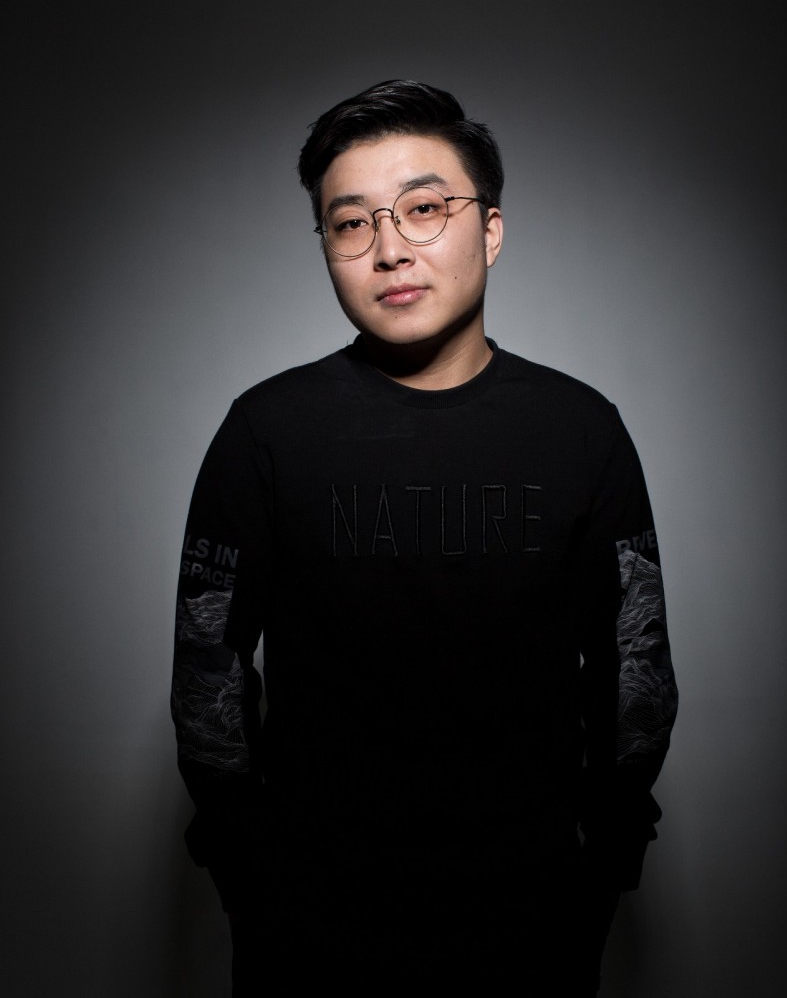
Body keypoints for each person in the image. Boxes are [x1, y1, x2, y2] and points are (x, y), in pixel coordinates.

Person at [171, 79, 678, 994]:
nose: (390, 248)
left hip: (531, 916)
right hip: (312, 923)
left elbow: (634, 662)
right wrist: (248, 874)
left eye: (424, 209)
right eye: (350, 223)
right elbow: (208, 667)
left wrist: (606, 865)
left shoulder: (581, 429)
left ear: (491, 229)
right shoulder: (266, 431)